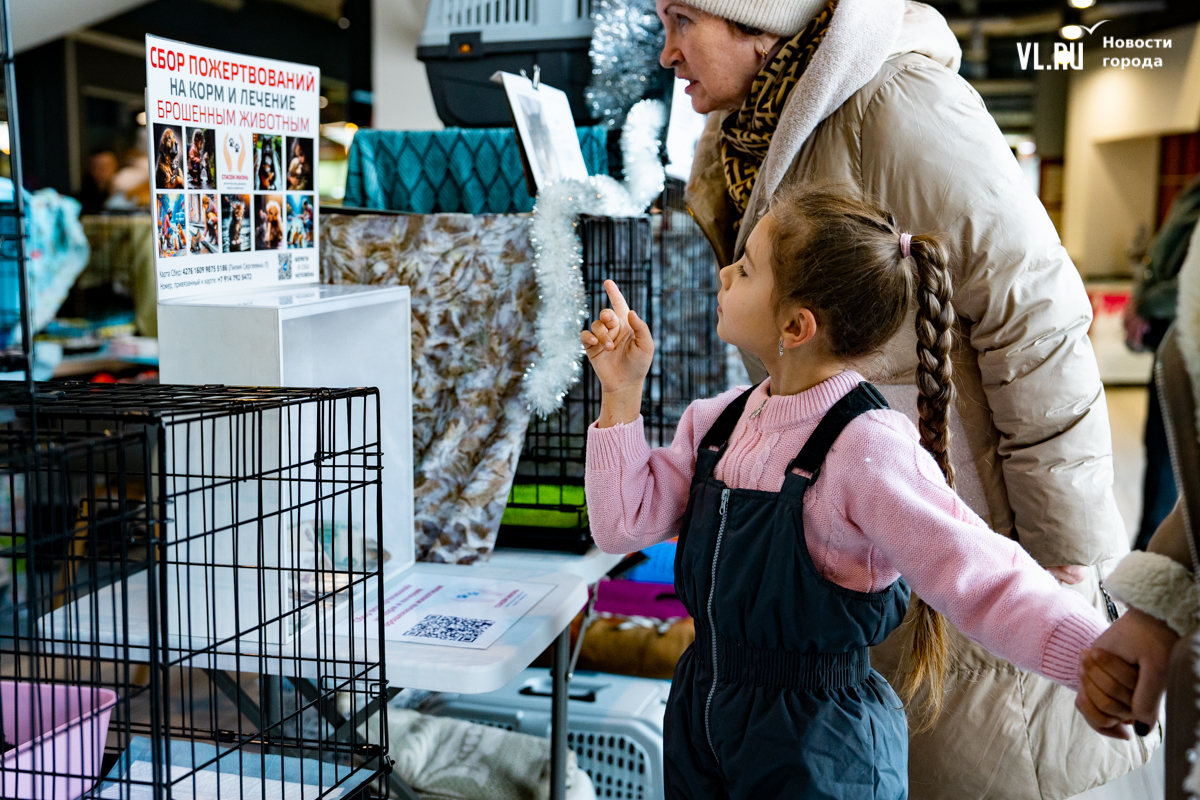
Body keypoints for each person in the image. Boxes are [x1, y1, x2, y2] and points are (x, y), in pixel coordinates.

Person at [662, 0, 1140, 794]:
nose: (667, 52)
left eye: (682, 20)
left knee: (972, 764)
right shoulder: (747, 138)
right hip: (857, 547)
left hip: (966, 528)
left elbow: (1036, 317)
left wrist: (1068, 553)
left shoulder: (899, 103)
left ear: (756, 21)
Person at [582, 185, 1110, 799]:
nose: (724, 273)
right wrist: (621, 394)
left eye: (745, 268)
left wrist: (1096, 656)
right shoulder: (716, 424)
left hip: (819, 750)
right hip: (702, 727)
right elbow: (621, 526)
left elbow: (981, 574)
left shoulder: (866, 448)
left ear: (796, 325)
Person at [1126, 175, 1200, 549]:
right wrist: (1139, 302)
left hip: (1188, 347)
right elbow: (1158, 257)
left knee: (1172, 466)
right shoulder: (1193, 191)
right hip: (1173, 344)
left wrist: (1147, 305)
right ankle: (1147, 558)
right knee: (1160, 458)